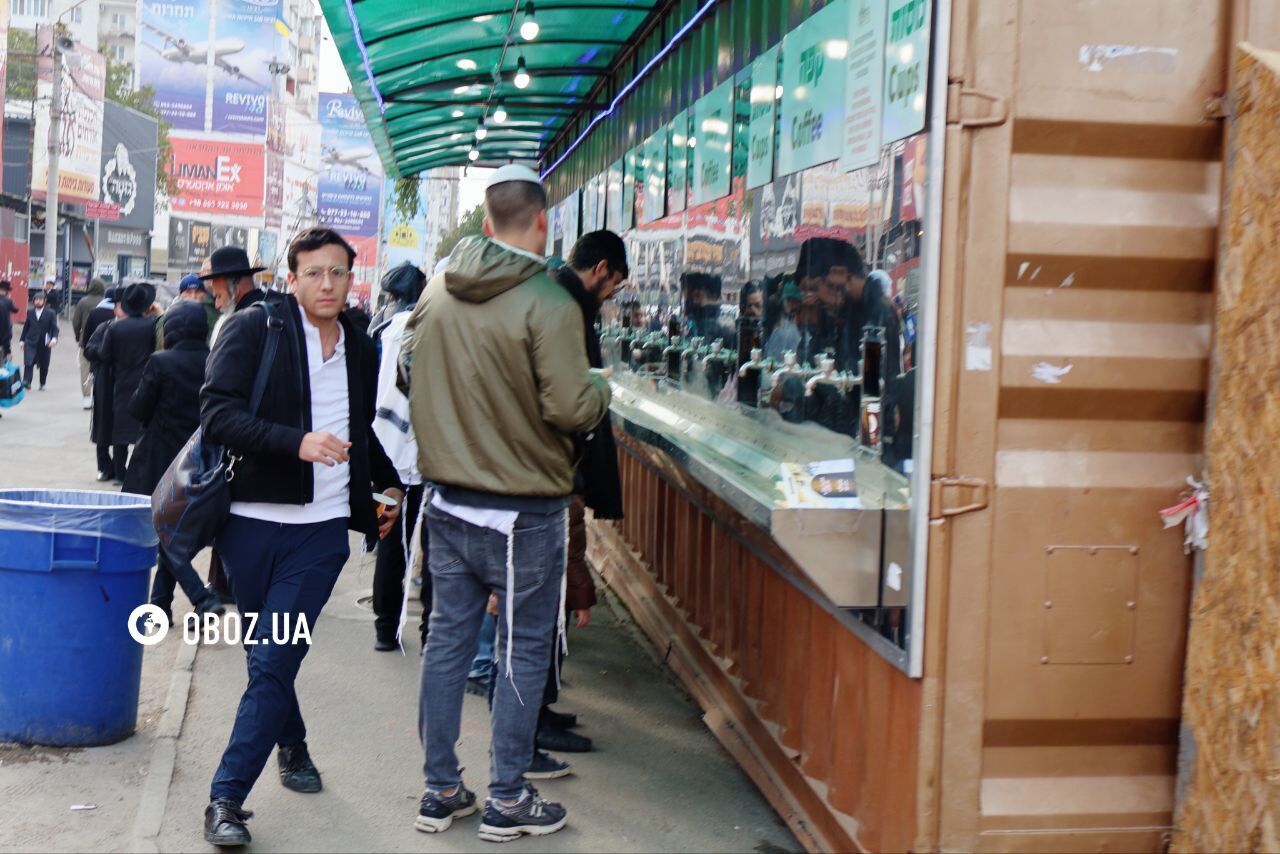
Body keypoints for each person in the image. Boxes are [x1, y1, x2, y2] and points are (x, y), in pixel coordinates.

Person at [404, 164, 610, 841]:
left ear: (487, 224)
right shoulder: (550, 303)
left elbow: (407, 371)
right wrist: (605, 388)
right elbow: (571, 406)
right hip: (524, 511)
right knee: (523, 651)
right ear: (543, 222)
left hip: (446, 503)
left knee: (446, 648)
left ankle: (439, 789)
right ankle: (508, 797)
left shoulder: (435, 293)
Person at [200, 227, 403, 848]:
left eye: (337, 273)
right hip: (251, 529)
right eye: (313, 273)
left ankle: (225, 799)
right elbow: (216, 415)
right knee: (268, 660)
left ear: (351, 277)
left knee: (273, 662)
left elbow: (362, 432)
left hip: (319, 537)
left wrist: (386, 492)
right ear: (291, 277)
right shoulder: (254, 327)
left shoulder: (361, 347)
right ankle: (293, 745)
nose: (326, 284)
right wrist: (297, 442)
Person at [531, 230, 630, 765]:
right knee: (545, 606)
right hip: (552, 477)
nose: (611, 295)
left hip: (552, 475)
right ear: (601, 270)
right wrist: (598, 390)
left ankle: (540, 710)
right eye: (613, 284)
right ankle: (533, 723)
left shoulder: (559, 298)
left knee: (547, 605)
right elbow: (568, 398)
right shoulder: (565, 306)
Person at [121, 302, 225, 622]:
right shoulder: (215, 360)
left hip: (160, 460)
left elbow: (139, 409)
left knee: (162, 532)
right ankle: (160, 605)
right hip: (199, 459)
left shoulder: (160, 362)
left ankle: (200, 595)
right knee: (170, 532)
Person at [369, 262, 430, 651]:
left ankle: (384, 629)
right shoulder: (423, 328)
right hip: (417, 453)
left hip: (383, 447)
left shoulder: (381, 328)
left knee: (390, 540)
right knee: (434, 544)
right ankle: (429, 634)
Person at [85, 283, 156, 484]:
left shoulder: (114, 328)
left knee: (120, 432)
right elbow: (89, 348)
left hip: (120, 384)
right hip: (112, 385)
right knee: (108, 429)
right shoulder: (108, 327)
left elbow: (103, 353)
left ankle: (119, 472)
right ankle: (109, 469)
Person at [84, 289, 119, 480]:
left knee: (106, 425)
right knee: (104, 424)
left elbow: (85, 345)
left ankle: (111, 468)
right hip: (106, 381)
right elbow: (89, 349)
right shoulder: (104, 326)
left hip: (116, 383)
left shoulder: (97, 315)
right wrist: (104, 351)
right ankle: (108, 467)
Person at [158, 275, 220, 349]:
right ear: (181, 295)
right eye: (188, 292)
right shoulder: (170, 315)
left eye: (197, 292)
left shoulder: (215, 312)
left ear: (204, 294)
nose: (193, 296)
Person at [72, 278, 106, 407]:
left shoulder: (83, 302)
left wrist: (77, 336)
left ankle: (86, 397)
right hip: (104, 340)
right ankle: (99, 395)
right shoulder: (105, 302)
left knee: (85, 369)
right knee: (101, 369)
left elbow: (76, 322)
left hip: (85, 341)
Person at [19, 290, 58, 390]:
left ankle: (42, 383)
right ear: (33, 301)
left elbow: (54, 328)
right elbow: (26, 327)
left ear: (44, 301)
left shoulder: (50, 313)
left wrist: (54, 339)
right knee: (28, 362)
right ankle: (27, 382)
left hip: (44, 342)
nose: (38, 301)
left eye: (40, 299)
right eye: (36, 299)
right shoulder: (30, 312)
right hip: (30, 341)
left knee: (44, 364)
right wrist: (22, 340)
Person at [0, 280, 18, 362]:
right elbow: (15, 310)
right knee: (6, 353)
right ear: (7, 292)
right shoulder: (8, 301)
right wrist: (10, 299)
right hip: (5, 332)